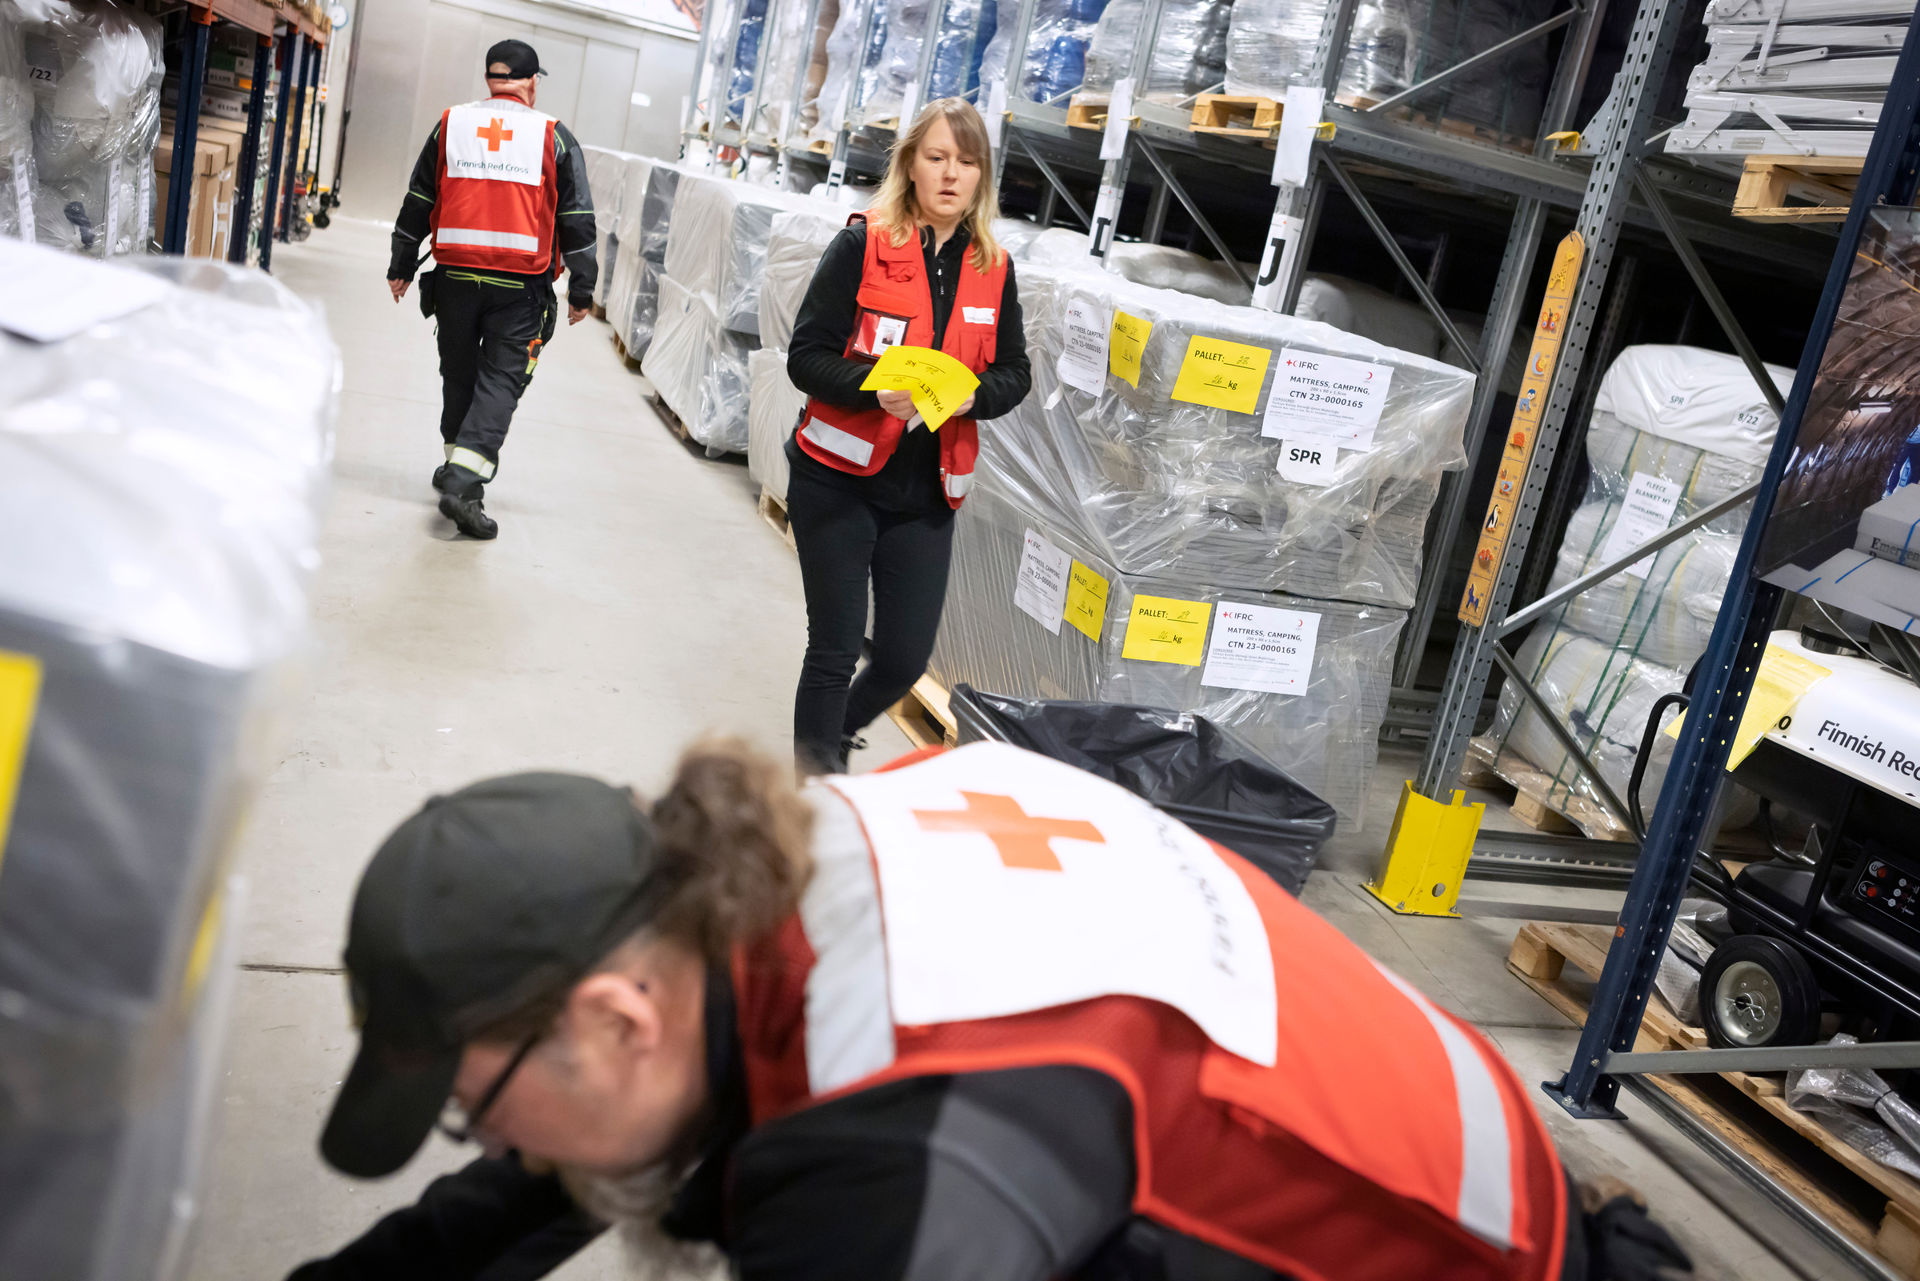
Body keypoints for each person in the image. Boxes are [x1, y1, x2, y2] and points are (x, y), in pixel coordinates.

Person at [289, 738, 1693, 1281]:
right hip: (1446, 1160)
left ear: (617, 1013)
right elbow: (568, 1165)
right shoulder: (781, 860)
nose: (486, 1139)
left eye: (476, 1107)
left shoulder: (897, 1159)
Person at [784, 98, 1031, 774]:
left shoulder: (995, 268)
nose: (952, 174)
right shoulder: (865, 244)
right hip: (836, 479)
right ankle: (813, 797)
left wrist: (971, 396)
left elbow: (1015, 373)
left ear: (983, 176)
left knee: (901, 660)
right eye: (938, 157)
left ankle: (832, 739)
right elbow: (804, 356)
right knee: (834, 649)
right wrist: (871, 386)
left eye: (968, 161)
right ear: (910, 165)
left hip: (926, 492)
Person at [386, 39, 598, 542]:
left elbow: (420, 195)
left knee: (458, 373)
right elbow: (577, 220)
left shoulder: (450, 124)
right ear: (531, 82)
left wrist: (401, 264)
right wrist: (582, 292)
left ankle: (456, 471)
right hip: (520, 289)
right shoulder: (554, 136)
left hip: (454, 279)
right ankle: (463, 481)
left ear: (490, 78)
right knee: (500, 383)